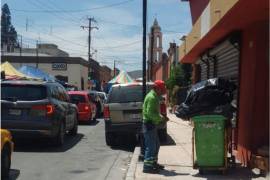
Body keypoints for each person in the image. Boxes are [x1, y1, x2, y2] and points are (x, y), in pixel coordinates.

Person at [142, 80, 169, 174]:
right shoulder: (152, 97)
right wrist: (161, 118)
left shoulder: (155, 96)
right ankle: (147, 167)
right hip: (149, 124)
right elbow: (150, 113)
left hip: (151, 124)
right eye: (161, 89)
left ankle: (153, 163)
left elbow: (159, 103)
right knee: (151, 146)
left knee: (156, 145)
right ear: (157, 88)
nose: (162, 91)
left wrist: (161, 117)